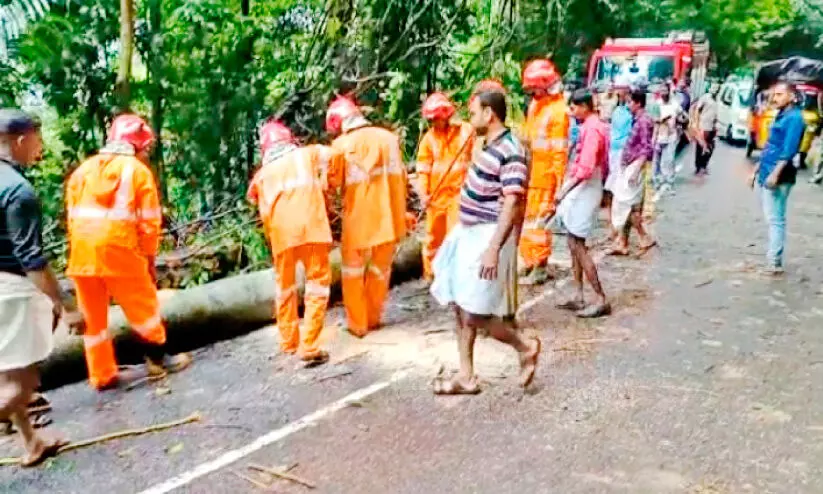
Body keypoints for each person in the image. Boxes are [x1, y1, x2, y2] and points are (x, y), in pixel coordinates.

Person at [66, 114, 192, 390]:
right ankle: (158, 361)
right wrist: (148, 259)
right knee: (144, 306)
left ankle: (101, 375)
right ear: (136, 145)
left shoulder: (82, 171)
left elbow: (72, 217)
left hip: (82, 253)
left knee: (93, 317)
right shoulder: (136, 171)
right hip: (119, 249)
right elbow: (149, 222)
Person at [429, 90, 540, 395]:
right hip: (469, 232)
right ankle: (466, 375)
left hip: (487, 235)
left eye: (475, 112)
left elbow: (511, 202)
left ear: (489, 113)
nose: (471, 118)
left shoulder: (511, 149)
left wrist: (493, 248)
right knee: (460, 304)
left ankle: (525, 347)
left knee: (476, 312)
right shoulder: (489, 145)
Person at [0, 108, 70, 466]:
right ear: (21, 140)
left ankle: (32, 443)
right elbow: (31, 258)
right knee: (22, 382)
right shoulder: (17, 190)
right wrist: (60, 304)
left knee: (5, 374)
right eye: (38, 140)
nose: (39, 148)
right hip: (8, 289)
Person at [248, 120, 335, 364]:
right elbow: (334, 155)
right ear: (289, 139)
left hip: (281, 235)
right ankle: (309, 346)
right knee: (317, 285)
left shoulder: (262, 175)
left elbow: (255, 200)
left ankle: (288, 342)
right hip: (312, 228)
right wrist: (328, 182)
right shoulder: (306, 155)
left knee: (285, 289)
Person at [326, 97, 408, 337]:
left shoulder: (340, 146)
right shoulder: (389, 138)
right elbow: (401, 176)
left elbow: (332, 183)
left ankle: (357, 324)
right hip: (390, 215)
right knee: (380, 270)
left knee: (352, 272)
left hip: (359, 218)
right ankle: (373, 318)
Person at [555, 90, 611, 318]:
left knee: (578, 244)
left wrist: (564, 191)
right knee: (571, 241)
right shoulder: (592, 127)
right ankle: (578, 294)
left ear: (585, 106)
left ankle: (600, 297)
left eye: (575, 107)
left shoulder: (592, 130)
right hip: (586, 186)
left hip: (585, 187)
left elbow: (586, 169)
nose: (572, 111)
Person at [518, 59, 569, 285]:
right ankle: (529, 261)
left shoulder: (559, 112)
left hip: (547, 176)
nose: (531, 92)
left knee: (539, 225)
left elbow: (559, 153)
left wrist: (559, 185)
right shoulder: (535, 107)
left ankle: (540, 266)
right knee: (529, 223)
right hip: (532, 172)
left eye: (534, 88)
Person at [415, 93, 475, 281]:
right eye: (430, 120)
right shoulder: (428, 139)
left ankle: (455, 275)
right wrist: (423, 194)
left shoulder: (466, 132)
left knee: (455, 234)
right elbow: (422, 170)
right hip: (436, 197)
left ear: (446, 115)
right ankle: (431, 274)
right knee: (433, 237)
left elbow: (477, 157)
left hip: (459, 194)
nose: (433, 123)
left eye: (436, 119)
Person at [748, 81, 805, 275]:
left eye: (780, 94)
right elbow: (771, 145)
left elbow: (788, 150)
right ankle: (773, 258)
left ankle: (774, 262)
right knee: (771, 218)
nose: (775, 98)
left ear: (791, 96)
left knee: (776, 219)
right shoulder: (782, 115)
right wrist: (756, 169)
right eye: (774, 94)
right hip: (768, 170)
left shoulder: (795, 118)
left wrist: (775, 174)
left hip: (779, 175)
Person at [609, 89, 657, 255]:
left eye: (630, 102)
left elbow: (646, 148)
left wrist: (636, 170)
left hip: (635, 166)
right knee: (626, 204)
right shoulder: (638, 120)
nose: (628, 105)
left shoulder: (643, 122)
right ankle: (623, 241)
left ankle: (641, 236)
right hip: (631, 165)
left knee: (626, 204)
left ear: (638, 103)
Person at [604, 87, 632, 239]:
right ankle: (614, 226)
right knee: (612, 189)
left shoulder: (630, 112)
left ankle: (618, 229)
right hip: (613, 151)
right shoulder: (617, 110)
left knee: (618, 191)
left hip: (622, 152)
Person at [652, 84, 680, 196]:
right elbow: (654, 120)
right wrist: (654, 137)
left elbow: (682, 117)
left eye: (665, 90)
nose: (663, 92)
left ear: (669, 91)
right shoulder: (657, 104)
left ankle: (669, 182)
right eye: (661, 90)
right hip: (659, 135)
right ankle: (657, 181)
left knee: (669, 160)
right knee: (657, 161)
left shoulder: (675, 104)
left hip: (671, 136)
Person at [693, 84, 719, 175]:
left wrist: (716, 125)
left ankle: (704, 165)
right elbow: (697, 110)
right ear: (710, 89)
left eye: (717, 88)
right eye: (714, 88)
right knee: (700, 147)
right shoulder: (705, 98)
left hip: (712, 126)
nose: (715, 90)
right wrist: (696, 123)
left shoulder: (717, 100)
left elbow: (715, 114)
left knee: (711, 147)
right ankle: (698, 167)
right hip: (703, 126)